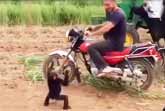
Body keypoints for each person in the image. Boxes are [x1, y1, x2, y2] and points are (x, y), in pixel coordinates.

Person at [85, 0, 126, 77]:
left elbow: (107, 28)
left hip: (115, 43)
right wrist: (94, 27)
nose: (106, 7)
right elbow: (106, 23)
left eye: (108, 5)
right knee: (97, 45)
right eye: (104, 5)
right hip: (113, 41)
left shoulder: (118, 14)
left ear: (114, 3)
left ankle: (104, 68)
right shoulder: (113, 12)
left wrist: (92, 34)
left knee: (91, 48)